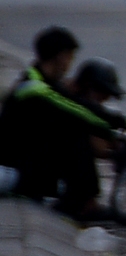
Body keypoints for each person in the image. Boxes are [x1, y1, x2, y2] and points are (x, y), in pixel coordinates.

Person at [0, 28, 111, 219]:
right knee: (75, 132)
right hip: (14, 171)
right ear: (60, 57)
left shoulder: (42, 80)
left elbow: (75, 104)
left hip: (22, 164)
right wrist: (116, 127)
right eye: (69, 57)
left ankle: (80, 200)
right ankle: (84, 204)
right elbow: (79, 113)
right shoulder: (36, 88)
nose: (69, 64)